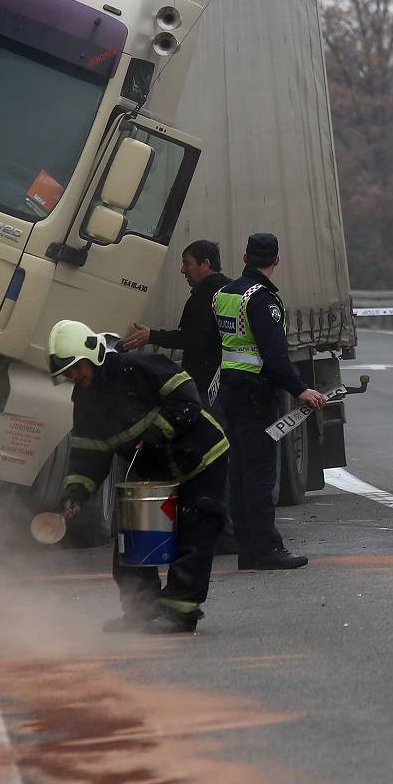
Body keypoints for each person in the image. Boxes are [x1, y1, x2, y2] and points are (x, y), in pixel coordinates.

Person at [48, 319, 229, 633]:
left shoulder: (136, 367)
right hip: (153, 467)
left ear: (92, 354)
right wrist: (75, 493)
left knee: (194, 530)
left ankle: (180, 613)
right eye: (68, 373)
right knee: (131, 537)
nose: (74, 376)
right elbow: (88, 454)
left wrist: (159, 433)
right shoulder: (85, 402)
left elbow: (187, 399)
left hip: (200, 458)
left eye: (77, 367)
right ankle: (141, 610)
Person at [214, 231, 327, 570]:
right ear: (277, 260)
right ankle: (266, 548)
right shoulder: (262, 300)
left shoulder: (223, 295)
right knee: (261, 473)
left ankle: (246, 547)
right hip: (256, 396)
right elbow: (275, 357)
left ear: (244, 257)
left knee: (237, 472)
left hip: (230, 392)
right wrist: (301, 389)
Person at [122, 239, 230, 394]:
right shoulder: (227, 290)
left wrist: (152, 336)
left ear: (205, 264)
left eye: (187, 264)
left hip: (206, 381)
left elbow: (192, 338)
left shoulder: (205, 296)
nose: (183, 270)